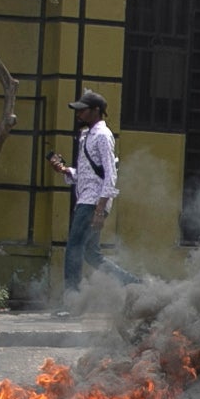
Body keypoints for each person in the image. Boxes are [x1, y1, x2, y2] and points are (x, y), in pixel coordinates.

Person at [48, 89, 131, 293]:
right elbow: (90, 173)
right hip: (88, 199)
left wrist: (100, 210)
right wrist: (66, 170)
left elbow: (110, 174)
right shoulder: (88, 135)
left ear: (96, 111)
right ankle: (134, 284)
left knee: (74, 248)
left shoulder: (102, 135)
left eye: (82, 110)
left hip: (93, 202)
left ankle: (71, 301)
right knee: (91, 254)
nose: (78, 114)